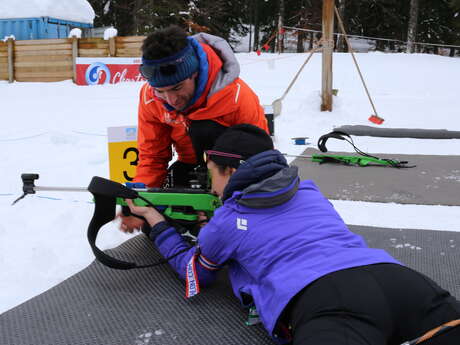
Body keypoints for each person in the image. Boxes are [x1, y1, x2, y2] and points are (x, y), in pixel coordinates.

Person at [125, 124, 460, 345]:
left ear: (230, 171)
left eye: (212, 173)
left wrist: (155, 221)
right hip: (397, 279)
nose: (211, 184)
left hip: (328, 300)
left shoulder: (227, 221)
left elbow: (193, 273)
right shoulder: (309, 190)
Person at [119, 25, 268, 232]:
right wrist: (140, 202)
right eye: (160, 91)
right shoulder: (150, 98)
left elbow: (260, 161)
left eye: (177, 88)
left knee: (204, 128)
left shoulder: (238, 99)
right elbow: (152, 156)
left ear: (195, 73)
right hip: (189, 167)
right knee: (154, 225)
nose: (170, 100)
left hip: (231, 173)